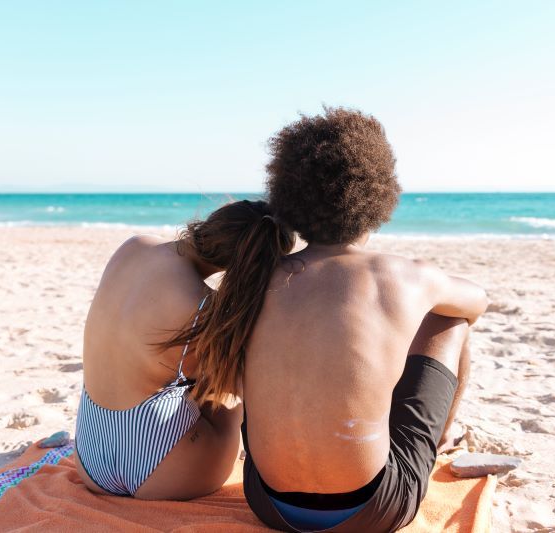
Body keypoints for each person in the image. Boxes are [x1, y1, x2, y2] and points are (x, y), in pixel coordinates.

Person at [192, 107, 489, 531]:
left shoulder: (255, 279)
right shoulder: (405, 275)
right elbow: (477, 302)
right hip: (372, 512)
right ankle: (435, 443)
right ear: (379, 193)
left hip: (267, 502)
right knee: (450, 320)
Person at [74, 200, 294, 500]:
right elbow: (236, 385)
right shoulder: (205, 307)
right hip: (161, 471)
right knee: (225, 394)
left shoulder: (133, 246)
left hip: (91, 459)